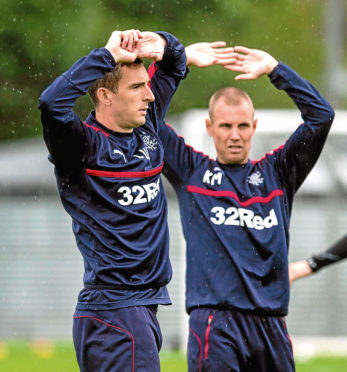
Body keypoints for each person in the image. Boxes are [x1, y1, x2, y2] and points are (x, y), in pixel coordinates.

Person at [39, 28, 235, 371]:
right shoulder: (81, 145)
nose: (149, 95)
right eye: (136, 87)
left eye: (147, 84)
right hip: (116, 312)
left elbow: (173, 64)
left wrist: (162, 43)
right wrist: (106, 55)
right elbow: (51, 103)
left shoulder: (145, 128)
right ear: (105, 96)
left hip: (134, 310)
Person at [159, 46, 335, 371]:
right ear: (210, 128)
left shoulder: (278, 173)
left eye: (242, 126)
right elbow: (147, 117)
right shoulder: (191, 171)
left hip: (271, 325)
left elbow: (321, 116)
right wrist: (178, 61)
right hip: (215, 321)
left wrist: (275, 69)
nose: (235, 135)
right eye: (226, 126)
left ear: (254, 126)